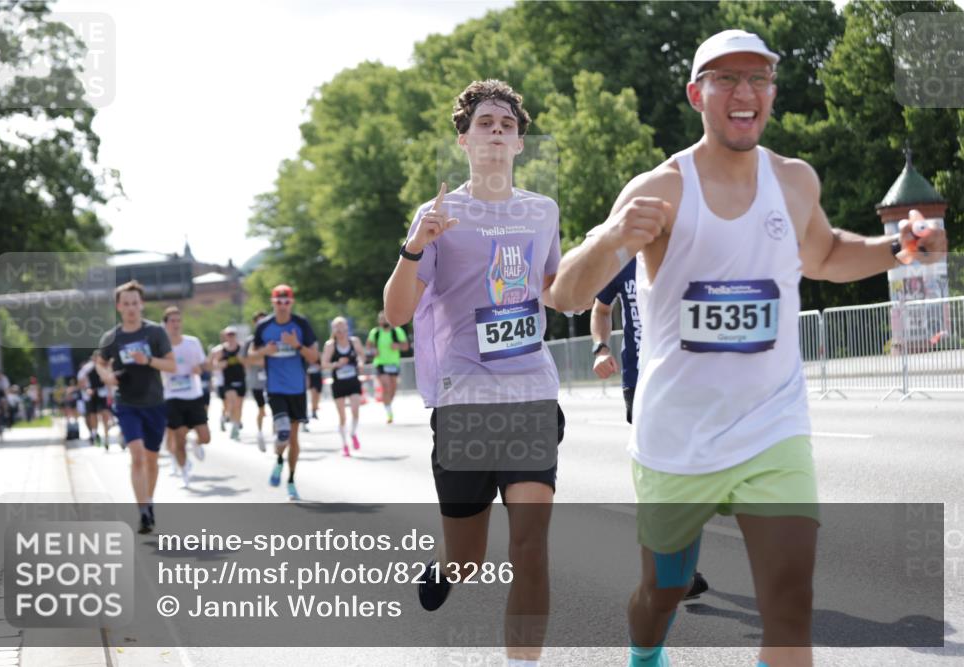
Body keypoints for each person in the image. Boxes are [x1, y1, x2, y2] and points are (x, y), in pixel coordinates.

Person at [550, 30, 948, 667]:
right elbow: (565, 295)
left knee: (790, 606)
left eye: (758, 79)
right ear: (696, 94)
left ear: (772, 93)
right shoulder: (661, 188)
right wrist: (610, 239)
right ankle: (644, 657)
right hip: (678, 436)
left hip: (773, 426)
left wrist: (897, 247)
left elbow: (823, 255)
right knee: (664, 590)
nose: (744, 93)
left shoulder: (793, 181)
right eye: (726, 79)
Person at [384, 79, 565, 666]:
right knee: (469, 559)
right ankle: (447, 568)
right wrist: (414, 248)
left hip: (531, 394)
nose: (496, 130)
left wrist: (589, 283)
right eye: (484, 122)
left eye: (506, 125)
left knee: (530, 548)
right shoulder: (439, 213)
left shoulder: (542, 211)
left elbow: (554, 288)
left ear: (518, 144)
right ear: (463, 139)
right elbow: (396, 313)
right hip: (464, 402)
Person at [592, 264, 710, 601]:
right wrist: (600, 348)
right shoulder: (624, 253)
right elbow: (601, 309)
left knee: (687, 472)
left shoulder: (689, 244)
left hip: (686, 378)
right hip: (639, 381)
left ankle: (676, 561)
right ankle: (676, 566)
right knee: (662, 470)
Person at [96, 280, 176, 534]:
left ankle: (148, 502)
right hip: (127, 403)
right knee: (138, 455)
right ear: (119, 306)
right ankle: (142, 511)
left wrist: (148, 360)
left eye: (135, 303)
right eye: (126, 303)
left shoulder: (155, 333)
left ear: (141, 304)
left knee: (152, 460)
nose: (131, 308)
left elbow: (171, 366)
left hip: (154, 402)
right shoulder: (113, 337)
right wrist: (106, 376)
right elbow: (99, 362)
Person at [249, 285, 319, 501]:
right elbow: (251, 355)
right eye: (278, 301)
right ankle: (279, 458)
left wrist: (296, 345)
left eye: (286, 301)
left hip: (297, 389)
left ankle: (290, 479)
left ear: (292, 302)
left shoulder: (301, 324)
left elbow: (314, 357)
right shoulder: (264, 326)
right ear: (272, 302)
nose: (282, 305)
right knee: (283, 433)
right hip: (276, 388)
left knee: (293, 438)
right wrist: (264, 351)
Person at [161, 306, 211, 487]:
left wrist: (201, 368)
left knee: (205, 437)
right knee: (179, 437)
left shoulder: (192, 342)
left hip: (194, 395)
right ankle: (184, 472)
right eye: (172, 321)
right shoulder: (161, 346)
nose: (176, 324)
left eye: (178, 320)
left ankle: (197, 444)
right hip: (172, 397)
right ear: (165, 324)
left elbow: (204, 364)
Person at [320, 316, 366, 457]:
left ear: (347, 328)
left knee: (355, 410)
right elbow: (324, 364)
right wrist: (336, 364)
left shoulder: (354, 341)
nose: (341, 332)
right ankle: (344, 444)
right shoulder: (330, 345)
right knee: (342, 416)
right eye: (338, 329)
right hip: (339, 383)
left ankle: (352, 433)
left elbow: (362, 356)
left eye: (343, 328)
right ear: (334, 330)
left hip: (353, 380)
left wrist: (360, 363)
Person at [366, 311, 409, 423]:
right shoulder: (375, 333)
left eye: (385, 318)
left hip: (394, 364)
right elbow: (368, 347)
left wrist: (398, 346)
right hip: (380, 363)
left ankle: (388, 404)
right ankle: (389, 413)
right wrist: (372, 351)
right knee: (385, 386)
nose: (384, 321)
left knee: (393, 388)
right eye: (382, 319)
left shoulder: (397, 331)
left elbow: (405, 346)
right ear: (379, 321)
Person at [212, 326, 246, 441]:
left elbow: (248, 362)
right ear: (225, 336)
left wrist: (243, 361)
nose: (231, 337)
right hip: (228, 381)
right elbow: (214, 364)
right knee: (230, 403)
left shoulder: (241, 348)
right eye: (229, 335)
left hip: (240, 380)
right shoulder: (221, 350)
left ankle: (235, 428)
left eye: (233, 335)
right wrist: (220, 364)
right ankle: (226, 417)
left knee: (239, 406)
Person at [244, 311, 270, 451]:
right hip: (256, 380)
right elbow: (245, 359)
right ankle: (260, 433)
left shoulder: (272, 337)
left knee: (275, 407)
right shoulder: (251, 340)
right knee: (261, 410)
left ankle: (278, 435)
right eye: (259, 321)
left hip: (273, 379)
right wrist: (260, 359)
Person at [77, 351, 112, 448]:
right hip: (91, 394)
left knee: (105, 415)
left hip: (102, 393)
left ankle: (106, 437)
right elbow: (81, 381)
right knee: (92, 415)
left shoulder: (105, 367)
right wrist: (87, 389)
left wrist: (110, 393)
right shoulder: (87, 368)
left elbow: (109, 380)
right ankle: (94, 433)